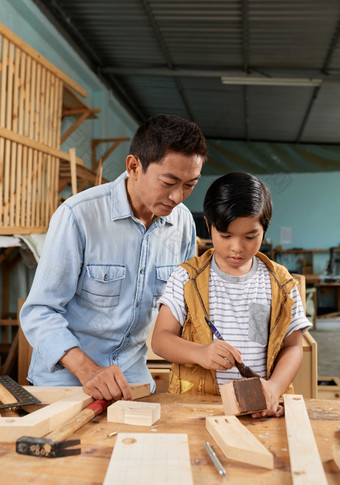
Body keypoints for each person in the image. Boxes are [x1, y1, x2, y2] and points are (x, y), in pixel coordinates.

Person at [20, 114, 207, 401]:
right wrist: (88, 371)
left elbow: (181, 309)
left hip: (133, 380)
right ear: (134, 166)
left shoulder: (182, 224)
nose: (178, 197)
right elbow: (39, 313)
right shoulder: (78, 216)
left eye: (189, 185)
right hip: (66, 381)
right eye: (169, 182)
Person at [151, 172, 311, 417]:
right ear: (209, 225)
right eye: (225, 236)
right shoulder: (187, 278)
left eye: (250, 236)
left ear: (264, 228)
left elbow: (293, 347)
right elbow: (161, 339)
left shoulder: (280, 283)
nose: (237, 247)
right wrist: (200, 353)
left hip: (260, 409)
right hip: (199, 409)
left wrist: (274, 388)